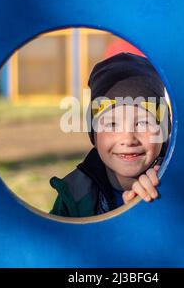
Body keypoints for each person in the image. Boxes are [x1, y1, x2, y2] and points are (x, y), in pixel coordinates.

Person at [49, 53, 171, 217]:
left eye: (143, 123)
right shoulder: (75, 195)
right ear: (94, 133)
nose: (128, 139)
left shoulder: (178, 183)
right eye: (112, 124)